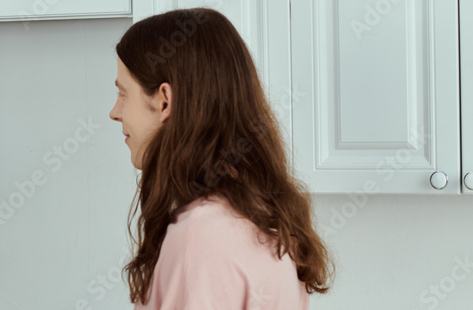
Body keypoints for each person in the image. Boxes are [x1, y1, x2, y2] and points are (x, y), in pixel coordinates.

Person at [109, 8, 333, 309]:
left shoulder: (200, 237)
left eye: (123, 93)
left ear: (164, 101)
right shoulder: (263, 215)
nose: (115, 111)